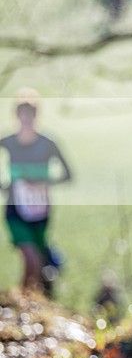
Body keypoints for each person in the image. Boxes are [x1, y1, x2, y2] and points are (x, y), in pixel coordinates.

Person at [1, 88, 72, 297]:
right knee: (30, 258)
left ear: (36, 116)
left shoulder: (48, 144)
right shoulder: (8, 142)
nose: (26, 120)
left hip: (41, 210)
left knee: (39, 261)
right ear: (17, 116)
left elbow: (68, 174)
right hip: (15, 208)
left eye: (30, 115)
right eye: (22, 115)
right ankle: (21, 302)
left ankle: (33, 302)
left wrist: (42, 181)